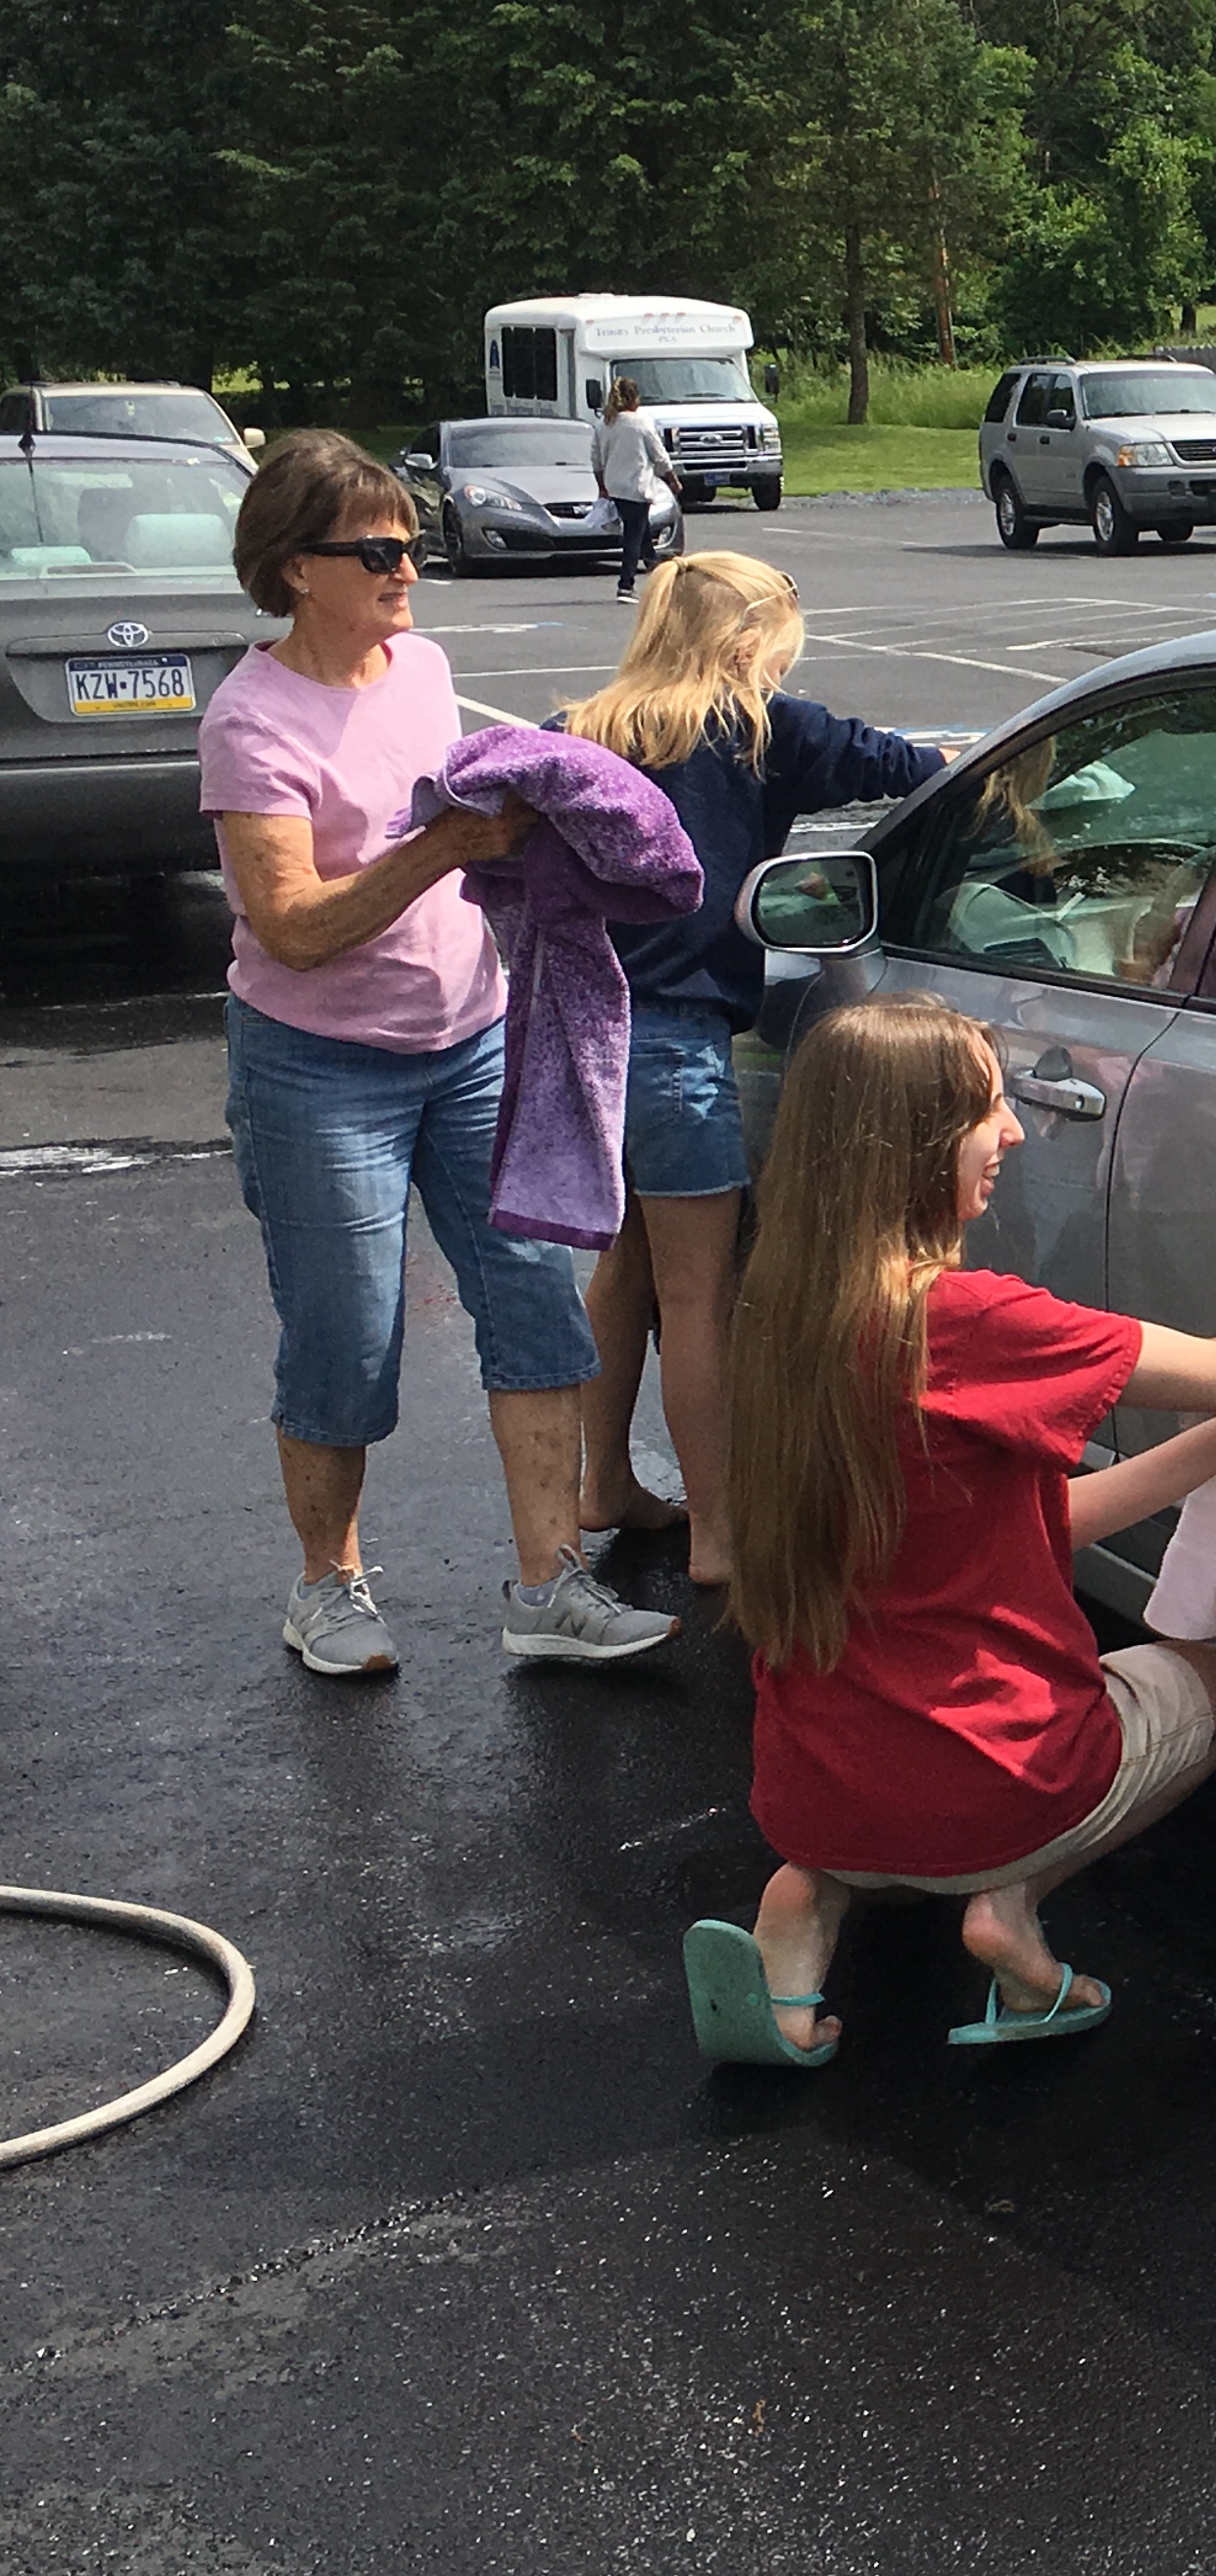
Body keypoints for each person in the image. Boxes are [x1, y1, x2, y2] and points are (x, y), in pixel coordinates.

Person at [681, 994, 1216, 2064]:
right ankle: (1010, 1903)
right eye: (990, 1111)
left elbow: (1032, 1525)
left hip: (808, 1790)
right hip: (987, 1786)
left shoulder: (783, 1313)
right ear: (918, 1146)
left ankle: (806, 1903)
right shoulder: (972, 1322)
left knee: (868, 1796)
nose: (1018, 1132)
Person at [201, 434, 680, 1678]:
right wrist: (445, 845)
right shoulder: (250, 721)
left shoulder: (420, 665)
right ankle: (330, 1586)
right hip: (316, 1065)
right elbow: (294, 929)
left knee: (533, 1306)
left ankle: (547, 1584)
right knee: (344, 1337)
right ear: (296, 569)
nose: (407, 566)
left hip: (470, 1040)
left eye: (411, 543)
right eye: (377, 550)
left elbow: (477, 816)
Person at [559, 552, 951, 1603]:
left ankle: (606, 1485)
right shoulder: (754, 728)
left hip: (591, 1039)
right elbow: (910, 769)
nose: (781, 669)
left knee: (628, 1267)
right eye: (777, 648)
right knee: (702, 1292)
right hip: (682, 1039)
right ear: (744, 646)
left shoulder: (587, 729)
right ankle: (721, 1533)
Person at [592, 377, 672, 601]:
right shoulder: (640, 423)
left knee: (640, 527)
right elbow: (659, 455)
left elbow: (596, 459)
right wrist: (672, 478)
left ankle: (654, 567)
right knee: (633, 535)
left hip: (615, 486)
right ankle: (625, 584)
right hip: (636, 486)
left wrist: (602, 486)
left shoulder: (604, 424)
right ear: (633, 399)